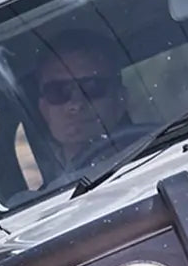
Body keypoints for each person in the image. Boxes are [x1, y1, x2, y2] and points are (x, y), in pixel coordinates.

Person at [34, 30, 136, 174]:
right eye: (58, 91)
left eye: (92, 87)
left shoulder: (167, 158)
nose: (76, 104)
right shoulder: (41, 197)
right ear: (44, 110)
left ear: (120, 100)